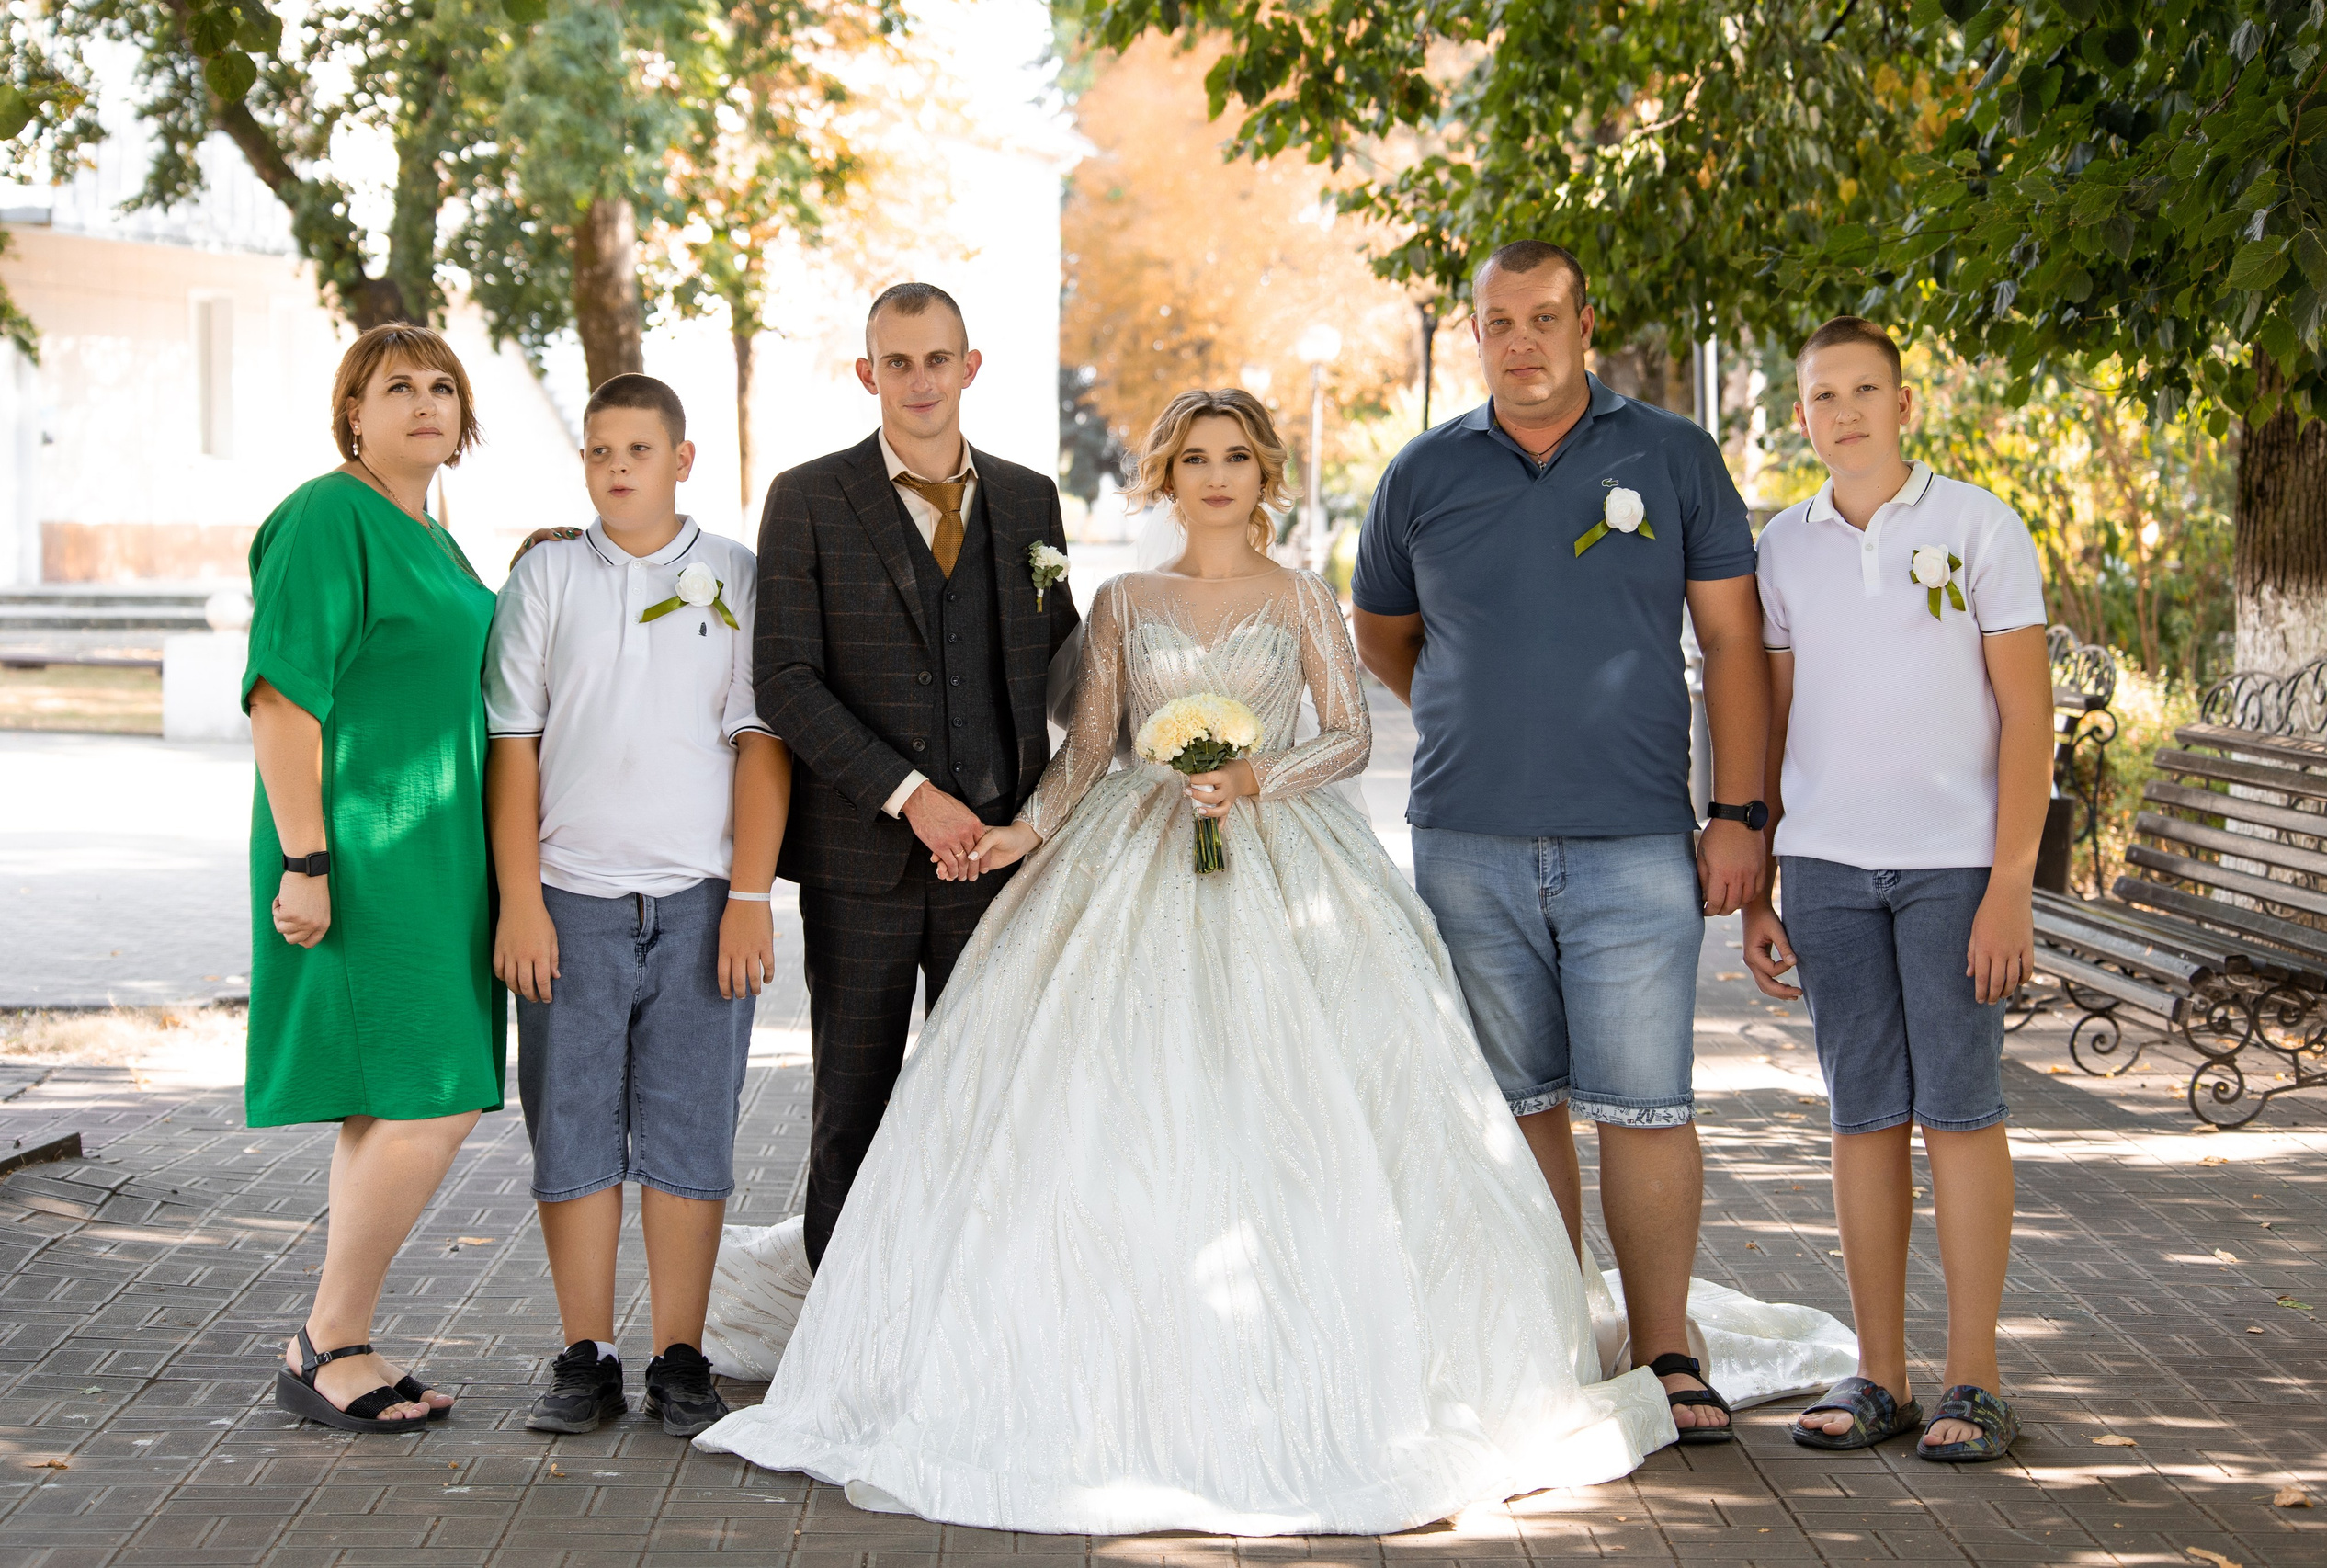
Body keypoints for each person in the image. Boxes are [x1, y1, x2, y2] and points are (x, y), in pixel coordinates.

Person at [692, 388, 1851, 1533]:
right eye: (1193, 455)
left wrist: (1252, 777)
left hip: (1286, 861)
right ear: (1165, 475)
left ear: (1263, 475)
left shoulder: (1299, 595)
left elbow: (1346, 736)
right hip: (1130, 854)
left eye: (1235, 455)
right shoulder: (1120, 599)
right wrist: (1019, 835)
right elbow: (1089, 750)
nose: (1213, 475)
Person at [1349, 240, 1772, 1441]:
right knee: (1515, 1100)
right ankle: (1549, 1334)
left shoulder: (1673, 455)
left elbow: (1735, 646)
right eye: (1498, 321)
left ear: (1586, 322)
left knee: (1645, 1103)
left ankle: (1665, 1350)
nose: (1521, 340)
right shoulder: (1423, 472)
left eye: (1544, 317)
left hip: (1638, 841)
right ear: (1473, 334)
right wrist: (1474, 702)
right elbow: (1386, 637)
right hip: (1466, 840)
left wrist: (1737, 815)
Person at [1742, 317, 2049, 1461]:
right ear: (1802, 416)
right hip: (1825, 867)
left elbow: (2027, 714)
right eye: (1824, 395)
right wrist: (1762, 882)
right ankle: (1882, 1371)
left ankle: (1976, 1378)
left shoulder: (1978, 524)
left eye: (1866, 389)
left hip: (1956, 868)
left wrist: (2008, 883)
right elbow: (1768, 723)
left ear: (1905, 402)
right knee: (1861, 1113)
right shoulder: (1782, 546)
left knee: (1959, 1111)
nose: (1847, 412)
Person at [749, 282, 1081, 1275]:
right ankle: (839, 1340)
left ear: (969, 367)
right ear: (867, 374)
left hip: (998, 858)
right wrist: (909, 794)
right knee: (848, 1105)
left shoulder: (1030, 499)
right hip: (862, 864)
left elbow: (1062, 657)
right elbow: (784, 676)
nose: (919, 379)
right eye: (897, 361)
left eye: (937, 358)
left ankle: (965, 1323)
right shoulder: (807, 496)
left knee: (990, 1096)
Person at [482, 373, 790, 1438]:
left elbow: (762, 741)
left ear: (682, 460)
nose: (619, 467)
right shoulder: (549, 576)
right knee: (570, 1132)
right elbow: (513, 747)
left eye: (639, 450)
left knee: (689, 1132)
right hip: (570, 902)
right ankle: (585, 1353)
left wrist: (749, 894)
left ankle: (678, 1352)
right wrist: (521, 899)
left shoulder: (737, 573)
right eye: (600, 451)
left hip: (701, 900)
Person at [245, 324, 505, 1432]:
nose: (424, 402)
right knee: (438, 1097)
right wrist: (307, 859)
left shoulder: (434, 536)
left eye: (442, 386)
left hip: (437, 855)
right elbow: (281, 696)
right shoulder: (327, 515)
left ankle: (339, 1337)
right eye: (396, 386)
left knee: (387, 1103)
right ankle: (327, 1337)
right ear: (353, 412)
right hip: (359, 850)